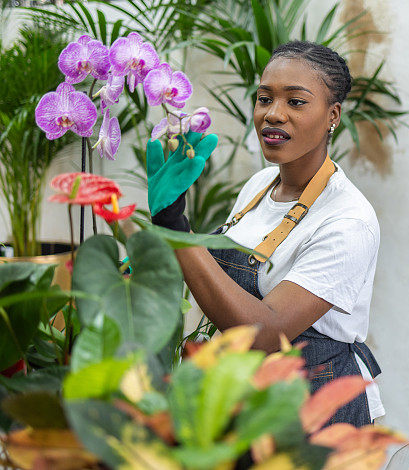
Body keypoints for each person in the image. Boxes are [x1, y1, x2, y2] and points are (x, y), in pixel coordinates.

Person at [147, 40, 383, 426]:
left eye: (296, 102)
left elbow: (266, 334)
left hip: (314, 407)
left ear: (332, 115)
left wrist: (178, 230)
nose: (273, 114)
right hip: (248, 392)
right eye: (264, 98)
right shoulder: (259, 184)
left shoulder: (347, 220)